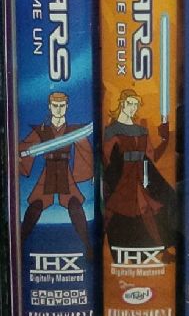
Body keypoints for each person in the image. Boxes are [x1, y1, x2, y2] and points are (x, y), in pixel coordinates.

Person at [17, 91, 93, 251]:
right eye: (55, 106)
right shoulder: (42, 130)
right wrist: (19, 155)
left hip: (65, 172)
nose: (59, 109)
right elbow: (26, 146)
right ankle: (20, 243)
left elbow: (85, 151)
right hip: (48, 171)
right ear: (50, 106)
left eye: (62, 106)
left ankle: (87, 246)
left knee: (75, 205)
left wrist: (92, 170)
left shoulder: (73, 130)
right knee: (36, 205)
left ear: (67, 106)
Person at [101, 88, 175, 250]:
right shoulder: (111, 130)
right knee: (113, 209)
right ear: (122, 103)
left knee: (147, 209)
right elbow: (106, 159)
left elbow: (152, 156)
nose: (133, 108)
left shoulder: (141, 130)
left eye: (135, 104)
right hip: (121, 176)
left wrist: (165, 139)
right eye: (130, 103)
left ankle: (160, 245)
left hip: (140, 175)